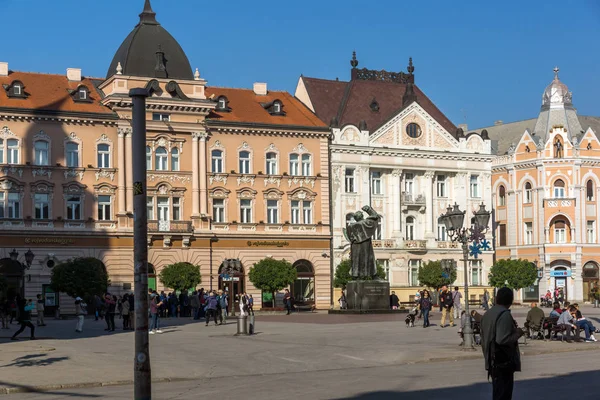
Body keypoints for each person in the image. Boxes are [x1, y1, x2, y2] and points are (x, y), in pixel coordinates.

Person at [481, 287, 524, 400]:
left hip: (492, 360)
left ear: (496, 298)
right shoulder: (504, 314)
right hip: (503, 361)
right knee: (503, 395)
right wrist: (518, 333)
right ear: (510, 300)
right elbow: (502, 340)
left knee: (498, 393)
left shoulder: (488, 313)